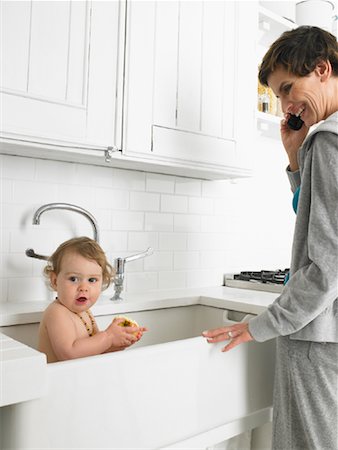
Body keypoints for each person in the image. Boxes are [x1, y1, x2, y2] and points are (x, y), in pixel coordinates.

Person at [202, 26, 338, 450]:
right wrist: (296, 159)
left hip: (320, 334)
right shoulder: (321, 141)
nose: (286, 104)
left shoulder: (330, 140)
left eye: (287, 87)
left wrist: (264, 325)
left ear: (322, 69)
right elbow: (318, 218)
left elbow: (328, 263)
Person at [38, 237, 147, 363]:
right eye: (73, 279)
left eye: (92, 280)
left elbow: (94, 350)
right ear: (55, 281)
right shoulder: (57, 313)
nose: (83, 288)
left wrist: (119, 342)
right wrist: (109, 336)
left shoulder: (85, 313)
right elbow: (69, 353)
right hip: (57, 381)